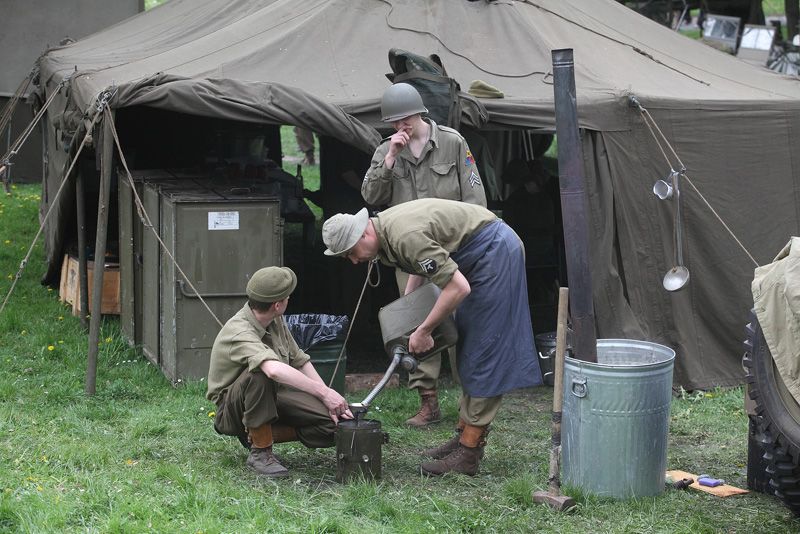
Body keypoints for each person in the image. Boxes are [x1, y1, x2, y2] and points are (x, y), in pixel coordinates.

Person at [322, 199, 541, 476]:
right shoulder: (386, 229)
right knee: (468, 350)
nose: (354, 261)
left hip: (494, 253)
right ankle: (463, 435)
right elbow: (418, 268)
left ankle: (469, 452)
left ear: (364, 233)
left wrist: (424, 330)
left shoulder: (405, 235)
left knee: (484, 351)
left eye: (352, 253)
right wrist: (409, 315)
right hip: (476, 257)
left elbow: (458, 288)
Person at [361, 82, 487, 428]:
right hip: (409, 253)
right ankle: (427, 400)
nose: (400, 125)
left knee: (464, 323)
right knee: (416, 322)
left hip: (454, 249)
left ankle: (470, 404)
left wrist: (467, 242)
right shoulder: (386, 150)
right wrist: (389, 159)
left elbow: (475, 198)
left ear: (420, 113)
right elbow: (371, 197)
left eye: (406, 118)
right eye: (394, 121)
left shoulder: (452, 142)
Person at [206, 266, 353, 477]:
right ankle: (260, 451)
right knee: (259, 373)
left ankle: (259, 433)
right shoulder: (239, 330)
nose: (289, 299)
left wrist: (327, 398)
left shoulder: (275, 320)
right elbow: (273, 370)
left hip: (275, 395)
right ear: (277, 305)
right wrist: (324, 393)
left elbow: (299, 360)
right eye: (287, 297)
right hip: (233, 410)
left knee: (337, 424)